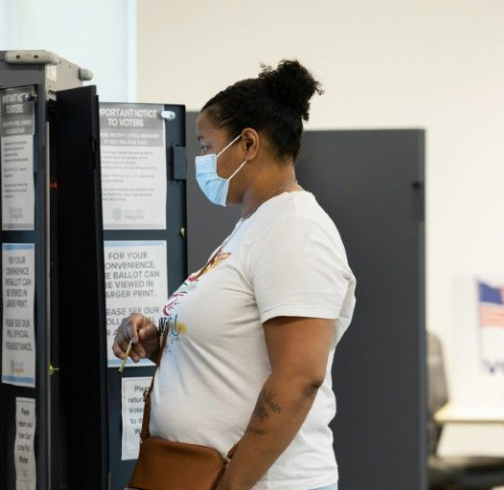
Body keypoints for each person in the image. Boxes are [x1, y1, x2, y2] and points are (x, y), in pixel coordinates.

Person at [113, 59, 356, 490]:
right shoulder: (254, 227)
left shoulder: (296, 230)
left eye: (206, 146)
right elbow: (238, 354)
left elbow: (300, 377)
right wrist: (165, 345)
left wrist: (231, 487)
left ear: (248, 144)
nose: (201, 160)